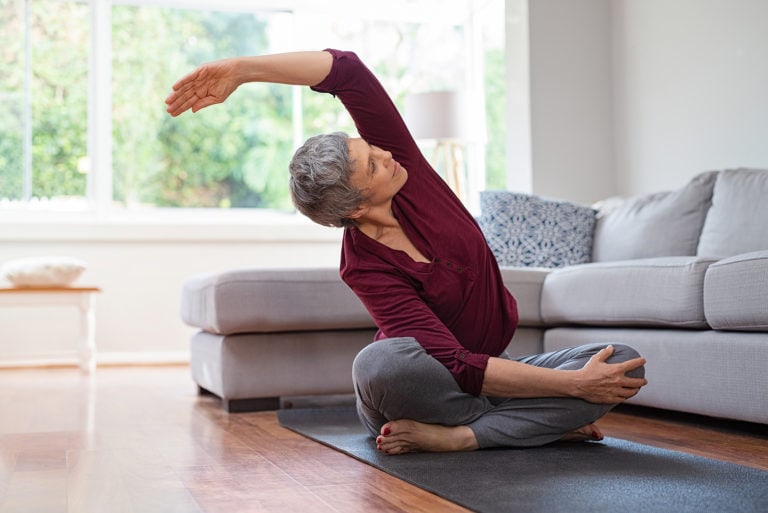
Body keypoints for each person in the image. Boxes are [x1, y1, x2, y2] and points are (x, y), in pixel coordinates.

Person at [166, 49, 647, 455]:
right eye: (373, 164)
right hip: (426, 388)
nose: (388, 155)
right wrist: (573, 389)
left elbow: (347, 71)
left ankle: (465, 436)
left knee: (622, 360)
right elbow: (453, 364)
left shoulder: (408, 172)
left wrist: (243, 70)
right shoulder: (362, 266)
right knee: (378, 364)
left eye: (374, 149)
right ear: (354, 207)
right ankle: (525, 425)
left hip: (481, 384)